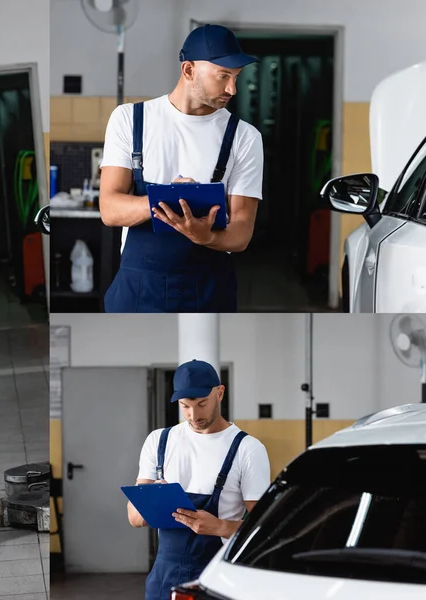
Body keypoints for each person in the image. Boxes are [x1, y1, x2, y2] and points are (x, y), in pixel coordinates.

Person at [100, 24, 264, 313]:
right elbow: (110, 210)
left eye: (236, 77)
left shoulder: (244, 137)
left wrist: (208, 236)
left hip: (211, 288)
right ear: (188, 70)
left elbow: (241, 232)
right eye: (223, 76)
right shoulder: (129, 119)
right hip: (139, 287)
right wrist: (169, 198)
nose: (232, 89)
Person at [127, 360, 270, 599]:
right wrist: (151, 502)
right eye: (185, 406)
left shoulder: (248, 449)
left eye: (202, 404)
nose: (194, 415)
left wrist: (220, 527)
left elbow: (264, 529)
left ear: (220, 393)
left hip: (218, 576)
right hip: (164, 577)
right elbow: (134, 518)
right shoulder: (158, 441)